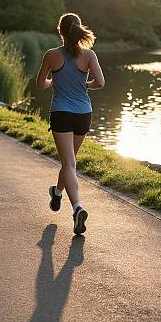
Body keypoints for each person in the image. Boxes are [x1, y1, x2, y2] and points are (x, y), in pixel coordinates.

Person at [36, 13, 105, 234]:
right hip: (84, 114)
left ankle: (77, 208)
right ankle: (57, 193)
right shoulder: (89, 55)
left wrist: (53, 80)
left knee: (69, 164)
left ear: (61, 32)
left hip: (61, 114)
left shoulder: (51, 55)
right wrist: (84, 84)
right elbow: (100, 83)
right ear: (78, 30)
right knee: (69, 162)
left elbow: (40, 84)